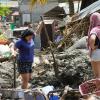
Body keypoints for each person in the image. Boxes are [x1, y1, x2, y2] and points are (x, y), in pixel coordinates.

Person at [88, 12, 100, 78]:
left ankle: (98, 88)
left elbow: (92, 39)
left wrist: (93, 47)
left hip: (97, 54)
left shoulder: (95, 29)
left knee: (97, 76)